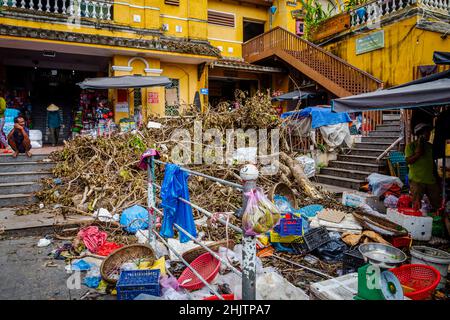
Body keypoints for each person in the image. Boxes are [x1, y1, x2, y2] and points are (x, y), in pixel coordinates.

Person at [405, 123, 441, 211]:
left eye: (429, 132)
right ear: (419, 134)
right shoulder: (411, 146)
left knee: (438, 205)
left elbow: (432, 163)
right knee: (416, 206)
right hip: (416, 181)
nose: (429, 134)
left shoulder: (430, 147)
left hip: (430, 180)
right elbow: (408, 161)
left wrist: (437, 177)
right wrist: (418, 154)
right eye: (426, 133)